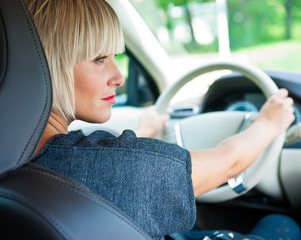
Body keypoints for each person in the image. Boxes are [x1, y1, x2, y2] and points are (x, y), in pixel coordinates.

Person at [24, 0, 300, 239]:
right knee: (281, 224)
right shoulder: (95, 166)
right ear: (47, 65)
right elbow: (228, 163)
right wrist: (269, 123)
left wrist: (144, 133)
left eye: (115, 57)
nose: (119, 77)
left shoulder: (3, 161)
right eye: (99, 59)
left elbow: (119, 174)